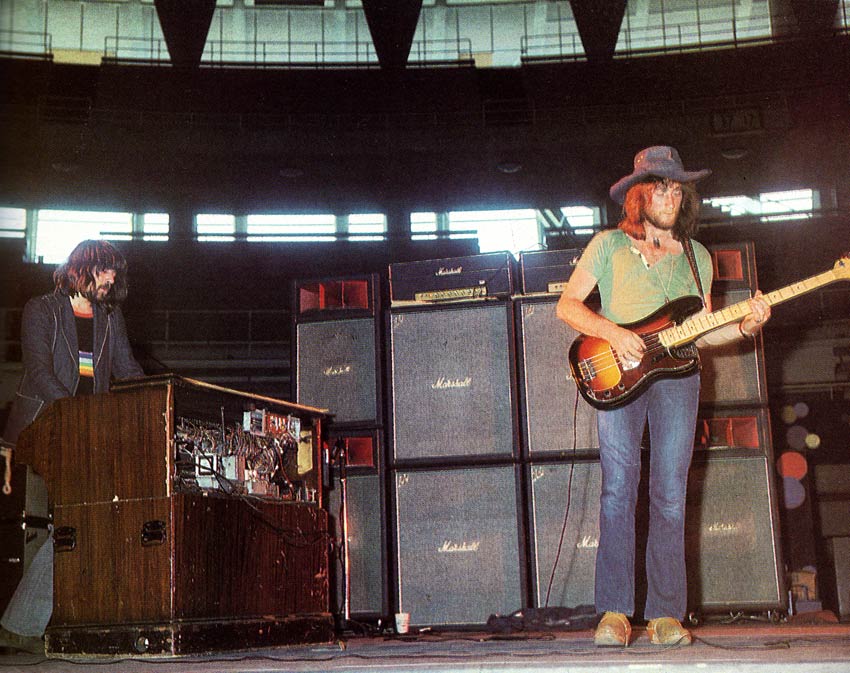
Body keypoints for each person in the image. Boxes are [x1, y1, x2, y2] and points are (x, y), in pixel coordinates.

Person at [556, 146, 771, 647]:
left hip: (679, 379)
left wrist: (743, 324)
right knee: (618, 489)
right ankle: (613, 613)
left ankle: (666, 615)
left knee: (670, 495)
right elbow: (568, 306)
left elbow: (700, 331)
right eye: (659, 186)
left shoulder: (697, 258)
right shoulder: (607, 246)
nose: (669, 196)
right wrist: (611, 332)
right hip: (618, 375)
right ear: (638, 195)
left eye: (677, 187)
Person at [0, 239, 144, 653]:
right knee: (81, 519)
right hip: (43, 425)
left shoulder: (110, 317)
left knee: (85, 520)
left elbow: (128, 370)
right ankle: (22, 624)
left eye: (115, 273)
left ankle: (28, 624)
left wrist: (157, 394)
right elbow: (41, 373)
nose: (111, 279)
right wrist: (78, 416)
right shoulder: (41, 309)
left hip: (86, 431)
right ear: (83, 269)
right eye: (105, 271)